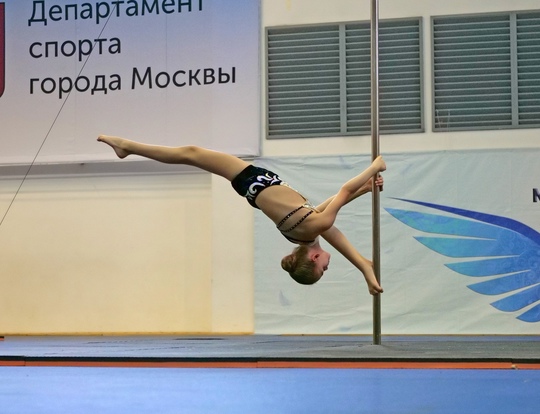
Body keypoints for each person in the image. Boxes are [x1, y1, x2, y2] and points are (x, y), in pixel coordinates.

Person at [97, 135, 386, 295]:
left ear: (313, 259)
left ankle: (128, 147)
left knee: (191, 153)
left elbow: (343, 191)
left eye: (323, 270)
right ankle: (364, 265)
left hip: (252, 180)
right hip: (254, 184)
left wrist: (373, 168)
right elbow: (332, 206)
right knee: (191, 153)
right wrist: (365, 189)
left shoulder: (315, 227)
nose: (327, 267)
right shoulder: (303, 234)